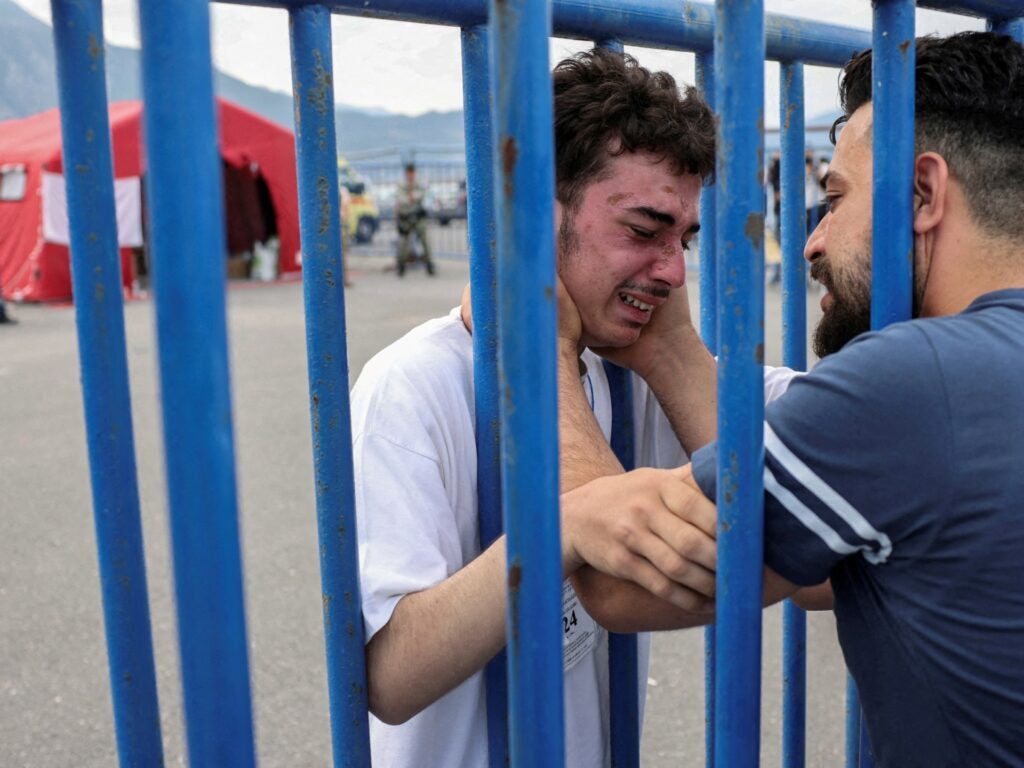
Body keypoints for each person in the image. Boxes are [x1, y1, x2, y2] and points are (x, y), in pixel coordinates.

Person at [567, 32, 1024, 767]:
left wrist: (536, 345)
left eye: (836, 200)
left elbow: (617, 582)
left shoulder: (918, 379)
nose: (813, 242)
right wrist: (672, 352)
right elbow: (819, 563)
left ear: (925, 194)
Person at [351, 49, 796, 766]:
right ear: (533, 219)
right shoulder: (414, 384)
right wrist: (558, 532)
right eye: (644, 230)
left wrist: (675, 354)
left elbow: (802, 508)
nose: (675, 270)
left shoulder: (627, 370)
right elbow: (389, 676)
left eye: (684, 239)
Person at [395, 162, 436, 276]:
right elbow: (401, 198)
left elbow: (426, 194)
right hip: (406, 218)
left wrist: (414, 196)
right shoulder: (402, 185)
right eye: (409, 173)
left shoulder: (419, 183)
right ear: (406, 173)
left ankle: (429, 265)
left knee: (425, 241)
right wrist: (411, 198)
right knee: (404, 243)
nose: (410, 175)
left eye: (412, 173)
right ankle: (401, 265)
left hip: (418, 217)